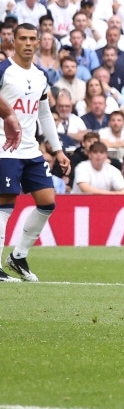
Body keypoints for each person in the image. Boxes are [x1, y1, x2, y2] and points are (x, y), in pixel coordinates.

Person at [0, 23, 69, 281]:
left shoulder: (40, 75)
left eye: (32, 39)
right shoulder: (4, 71)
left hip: (30, 148)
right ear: (14, 42)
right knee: (5, 202)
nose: (28, 43)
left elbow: (44, 114)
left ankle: (18, 256)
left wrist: (58, 149)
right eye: (23, 39)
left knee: (47, 202)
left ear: (38, 42)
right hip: (5, 147)